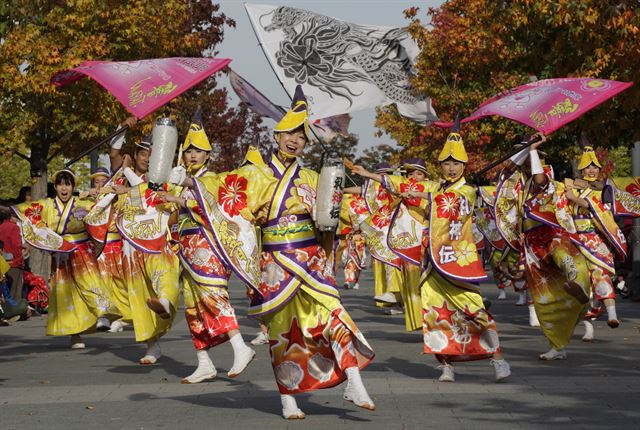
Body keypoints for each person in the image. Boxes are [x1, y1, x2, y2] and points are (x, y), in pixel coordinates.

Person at [174, 87, 375, 419]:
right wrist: (189, 187)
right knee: (283, 332)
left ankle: (353, 378)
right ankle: (288, 399)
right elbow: (221, 189)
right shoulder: (255, 173)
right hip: (275, 263)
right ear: (277, 135)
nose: (294, 140)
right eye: (289, 133)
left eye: (301, 136)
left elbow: (336, 213)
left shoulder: (312, 177)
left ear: (306, 144)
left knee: (334, 315)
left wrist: (351, 200)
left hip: (310, 259)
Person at [352, 116, 511, 382]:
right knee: (436, 312)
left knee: (475, 311)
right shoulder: (436, 186)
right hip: (432, 262)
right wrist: (369, 175)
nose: (451, 168)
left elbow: (446, 203)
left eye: (456, 163)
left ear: (464, 165)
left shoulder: (467, 191)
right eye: (447, 163)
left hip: (457, 263)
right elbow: (409, 186)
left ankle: (498, 360)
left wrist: (425, 196)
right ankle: (446, 364)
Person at [159, 108, 256, 383]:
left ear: (207, 155)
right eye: (188, 150)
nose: (192, 155)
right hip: (185, 246)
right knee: (193, 305)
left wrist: (180, 195)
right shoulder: (179, 179)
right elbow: (167, 206)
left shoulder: (213, 178)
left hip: (208, 244)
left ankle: (240, 346)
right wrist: (165, 192)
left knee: (214, 298)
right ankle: (204, 362)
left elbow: (210, 204)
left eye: (198, 151)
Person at [494, 135, 591, 360]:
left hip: (551, 233)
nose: (528, 163)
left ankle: (580, 287)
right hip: (529, 242)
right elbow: (506, 178)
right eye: (525, 159)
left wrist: (533, 151)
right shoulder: (518, 183)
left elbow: (539, 180)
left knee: (568, 262)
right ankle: (557, 346)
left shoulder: (546, 176)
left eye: (531, 158)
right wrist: (505, 254)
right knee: (542, 296)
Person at [12, 168, 114, 348]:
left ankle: (102, 314)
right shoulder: (47, 205)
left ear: (73, 186)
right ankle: (76, 335)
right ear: (56, 187)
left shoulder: (83, 204)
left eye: (67, 184)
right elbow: (26, 211)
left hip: (81, 250)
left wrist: (103, 195)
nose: (64, 188)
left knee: (91, 282)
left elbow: (101, 211)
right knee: (68, 294)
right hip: (60, 252)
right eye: (60, 184)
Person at [564, 141, 627, 340]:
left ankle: (612, 314)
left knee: (600, 275)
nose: (591, 170)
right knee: (580, 283)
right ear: (581, 169)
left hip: (596, 239)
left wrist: (574, 197)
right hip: (575, 238)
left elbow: (596, 208)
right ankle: (589, 327)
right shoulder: (571, 188)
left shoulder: (604, 189)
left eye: (594, 167)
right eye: (587, 167)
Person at [0, 208, 25, 301]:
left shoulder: (1, 226)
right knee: (15, 291)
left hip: (2, 263)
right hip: (13, 263)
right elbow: (16, 246)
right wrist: (20, 261)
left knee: (4, 291)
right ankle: (14, 313)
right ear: (10, 216)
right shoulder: (13, 227)